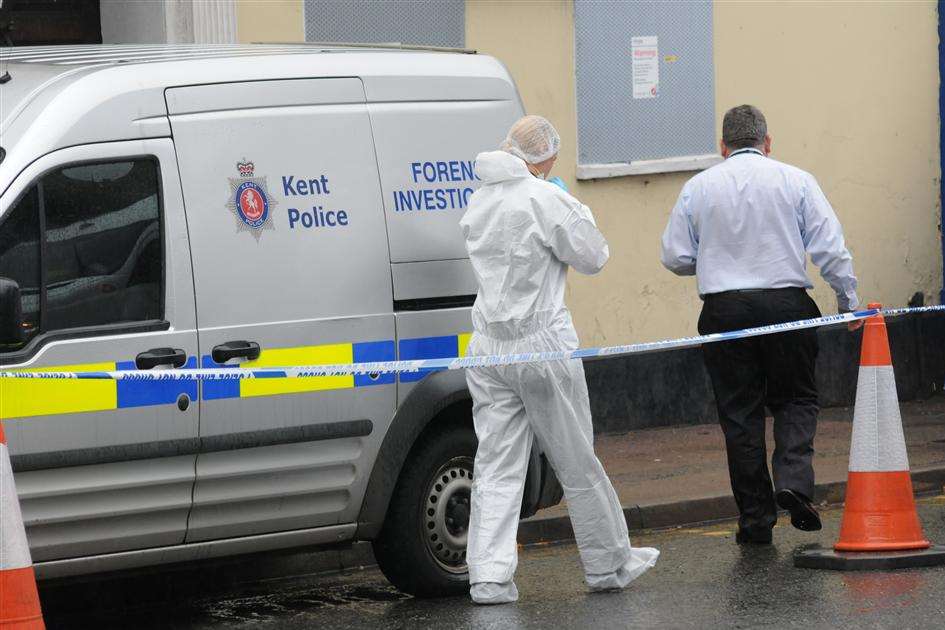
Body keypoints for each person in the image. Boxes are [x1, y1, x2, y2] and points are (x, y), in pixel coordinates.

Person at [460, 115, 659, 604]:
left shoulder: (481, 199)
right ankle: (608, 563)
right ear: (541, 157)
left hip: (488, 348)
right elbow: (594, 256)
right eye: (551, 158)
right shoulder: (544, 197)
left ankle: (489, 574)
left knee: (497, 463)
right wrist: (572, 205)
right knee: (575, 458)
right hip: (541, 345)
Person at [660, 105, 860, 545]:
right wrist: (848, 301)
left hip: (724, 310)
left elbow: (674, 256)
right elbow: (830, 247)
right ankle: (792, 481)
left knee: (740, 415)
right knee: (796, 399)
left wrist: (713, 260)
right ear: (767, 143)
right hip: (787, 306)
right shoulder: (796, 180)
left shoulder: (698, 188)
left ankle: (755, 520)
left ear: (723, 146)